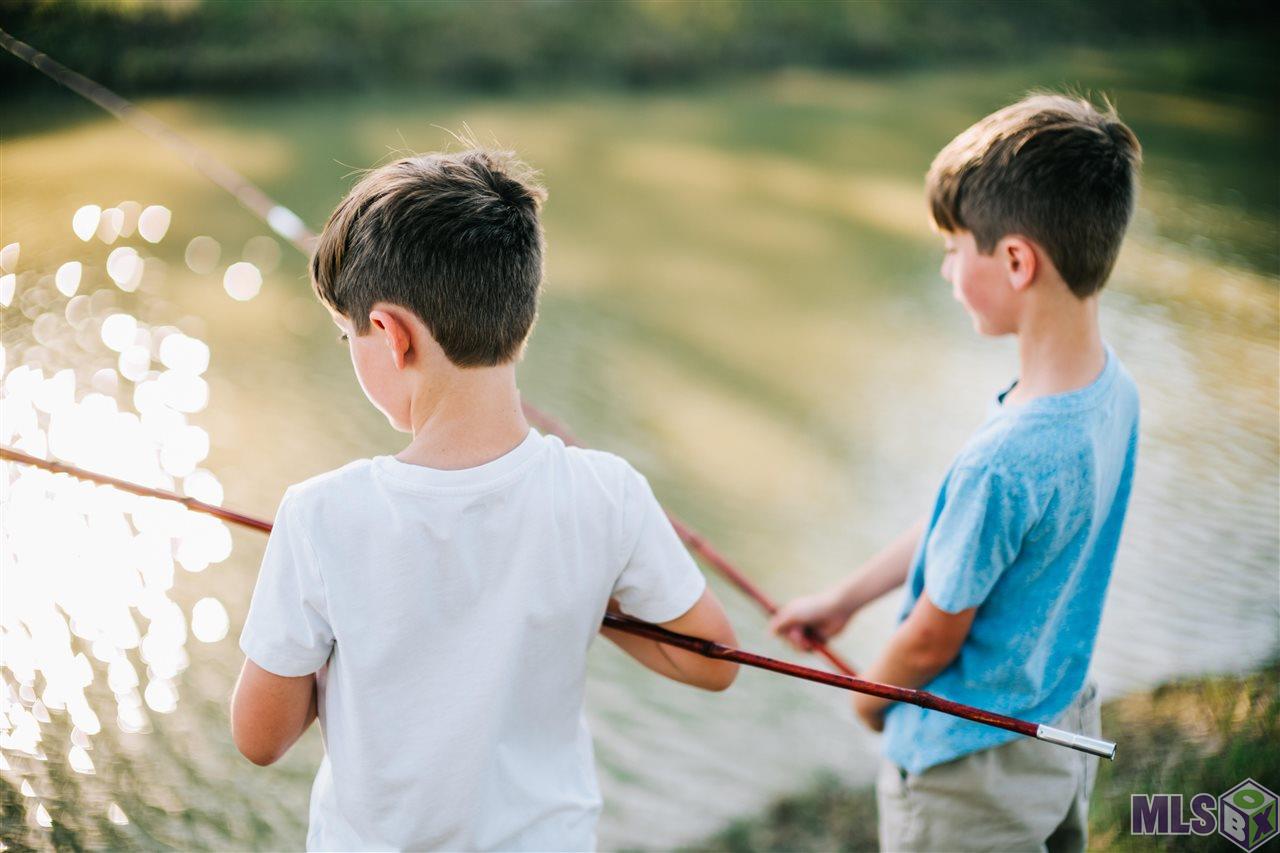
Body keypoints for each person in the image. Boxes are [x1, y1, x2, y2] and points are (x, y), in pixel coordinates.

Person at [229, 149, 738, 851]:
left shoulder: (320, 515)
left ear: (391, 334)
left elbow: (259, 739)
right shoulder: (607, 494)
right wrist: (586, 589)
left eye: (348, 335)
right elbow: (714, 659)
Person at [771, 93, 1142, 852]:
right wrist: (845, 598)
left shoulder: (1004, 459)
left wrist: (870, 696)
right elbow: (965, 530)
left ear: (1016, 261)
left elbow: (931, 638)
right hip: (1059, 729)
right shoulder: (1111, 391)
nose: (945, 268)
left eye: (953, 247)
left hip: (967, 777)